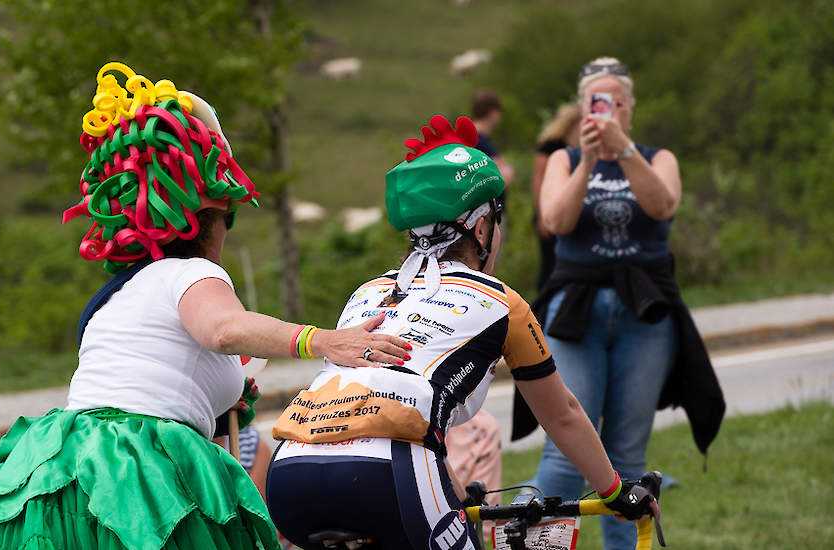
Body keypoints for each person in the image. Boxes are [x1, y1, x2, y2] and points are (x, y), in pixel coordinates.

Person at [0, 62, 410, 550]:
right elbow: (223, 329)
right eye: (226, 220)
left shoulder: (117, 296)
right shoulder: (194, 272)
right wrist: (324, 340)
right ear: (210, 221)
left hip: (65, 462)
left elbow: (159, 375)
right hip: (133, 466)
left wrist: (221, 397)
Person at [266, 115, 659, 550]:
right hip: (386, 475)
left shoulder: (369, 292)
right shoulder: (500, 300)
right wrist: (615, 490)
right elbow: (561, 413)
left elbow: (375, 411)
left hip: (289, 472)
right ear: (481, 227)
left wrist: (450, 485)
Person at [515, 57, 725, 550]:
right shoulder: (565, 160)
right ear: (582, 107)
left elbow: (663, 206)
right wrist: (589, 159)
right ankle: (534, 544)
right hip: (576, 313)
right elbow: (557, 222)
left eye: (614, 102)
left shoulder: (658, 158)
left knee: (627, 455)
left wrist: (624, 151)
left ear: (629, 109)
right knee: (566, 447)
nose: (604, 111)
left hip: (644, 313)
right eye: (595, 102)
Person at [532, 103, 581, 289]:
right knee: (550, 263)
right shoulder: (551, 145)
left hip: (569, 211)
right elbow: (539, 178)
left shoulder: (579, 147)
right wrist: (542, 215)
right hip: (549, 209)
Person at [471, 89, 516, 190]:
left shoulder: (471, 137)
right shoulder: (480, 141)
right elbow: (500, 178)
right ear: (493, 112)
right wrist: (509, 170)